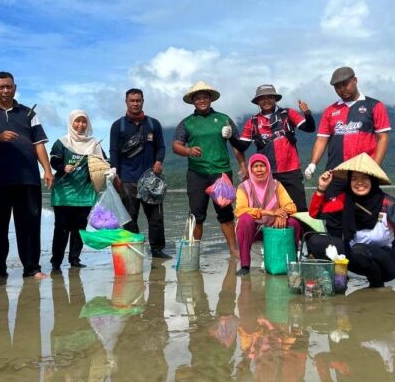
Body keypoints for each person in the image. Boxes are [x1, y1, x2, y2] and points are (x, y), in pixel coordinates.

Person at [0, 71, 53, 281]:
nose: (5, 90)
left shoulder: (28, 113)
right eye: (0, 87)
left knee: (29, 226)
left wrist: (47, 170)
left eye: (9, 86)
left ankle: (32, 268)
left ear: (15, 87)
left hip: (27, 179)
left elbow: (38, 143)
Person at [309, 153, 395, 288]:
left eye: (364, 178)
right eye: (354, 178)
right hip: (357, 256)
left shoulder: (388, 204)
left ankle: (377, 287)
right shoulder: (344, 200)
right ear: (349, 181)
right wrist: (321, 188)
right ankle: (340, 281)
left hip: (388, 262)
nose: (359, 182)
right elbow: (316, 214)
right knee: (315, 241)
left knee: (359, 249)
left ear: (373, 180)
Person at [172, 81, 246, 258]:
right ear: (193, 101)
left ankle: (234, 251)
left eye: (205, 96)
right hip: (197, 174)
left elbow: (237, 144)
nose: (202, 100)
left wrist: (243, 165)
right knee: (197, 215)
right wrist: (188, 151)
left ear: (211, 98)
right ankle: (194, 252)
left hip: (221, 173)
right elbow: (176, 145)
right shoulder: (187, 122)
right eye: (198, 97)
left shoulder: (223, 119)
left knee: (226, 214)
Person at [304, 66, 391, 199]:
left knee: (365, 214)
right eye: (337, 87)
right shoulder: (330, 110)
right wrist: (313, 163)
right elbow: (322, 139)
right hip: (335, 172)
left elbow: (383, 138)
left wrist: (375, 167)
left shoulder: (374, 105)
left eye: (345, 84)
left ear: (355, 80)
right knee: (333, 214)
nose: (342, 89)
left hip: (363, 172)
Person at [109, 88, 170, 259]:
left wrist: (159, 161)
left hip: (151, 180)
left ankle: (157, 249)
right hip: (127, 180)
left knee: (156, 218)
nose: (135, 103)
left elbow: (162, 147)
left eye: (138, 100)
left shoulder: (153, 124)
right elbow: (113, 152)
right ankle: (131, 249)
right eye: (132, 100)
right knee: (129, 218)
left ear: (143, 101)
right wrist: (116, 176)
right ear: (126, 102)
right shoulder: (118, 125)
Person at [237, 84, 315, 211]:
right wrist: (230, 136)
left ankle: (303, 231)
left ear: (275, 99)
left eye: (270, 97)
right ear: (257, 101)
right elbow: (242, 146)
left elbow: (310, 128)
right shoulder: (253, 121)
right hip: (267, 174)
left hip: (291, 171)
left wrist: (307, 113)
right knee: (270, 210)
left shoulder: (288, 114)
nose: (266, 100)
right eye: (262, 98)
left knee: (299, 209)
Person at [48, 110, 103, 272]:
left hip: (85, 194)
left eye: (83, 121)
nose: (80, 125)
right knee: (61, 230)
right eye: (77, 122)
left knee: (79, 229)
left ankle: (74, 259)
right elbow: (54, 160)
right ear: (71, 123)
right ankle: (56, 263)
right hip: (64, 195)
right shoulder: (62, 142)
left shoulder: (94, 144)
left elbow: (103, 162)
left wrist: (109, 171)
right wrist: (62, 167)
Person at [234, 154, 302, 276]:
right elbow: (240, 210)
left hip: (274, 227)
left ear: (268, 168)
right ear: (250, 169)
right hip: (253, 230)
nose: (259, 169)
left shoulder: (276, 185)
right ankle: (245, 265)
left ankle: (293, 260)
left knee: (294, 222)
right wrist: (268, 212)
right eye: (255, 166)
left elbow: (291, 206)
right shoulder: (243, 187)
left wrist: (281, 215)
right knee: (245, 219)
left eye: (262, 166)